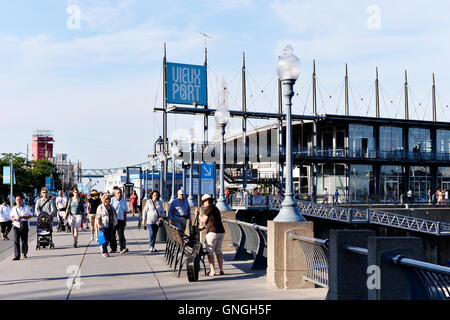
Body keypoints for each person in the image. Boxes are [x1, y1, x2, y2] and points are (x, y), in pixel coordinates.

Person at [196, 194, 225, 276]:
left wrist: (198, 215)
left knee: (210, 252)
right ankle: (221, 270)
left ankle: (212, 271)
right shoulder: (216, 208)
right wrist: (202, 228)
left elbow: (204, 220)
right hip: (221, 232)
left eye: (203, 202)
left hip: (212, 233)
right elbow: (211, 222)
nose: (203, 204)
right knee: (219, 251)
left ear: (206, 201)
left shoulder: (208, 209)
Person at [10, 195, 32, 261]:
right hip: (16, 225)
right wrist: (14, 219)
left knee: (24, 240)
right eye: (17, 200)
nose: (18, 201)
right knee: (16, 240)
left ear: (22, 200)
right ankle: (16, 255)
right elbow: (11, 217)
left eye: (19, 200)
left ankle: (24, 253)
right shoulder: (13, 208)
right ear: (15, 201)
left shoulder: (26, 207)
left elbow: (30, 215)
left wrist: (22, 217)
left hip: (24, 225)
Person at [111, 189, 129, 254]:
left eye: (120, 193)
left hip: (120, 220)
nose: (119, 194)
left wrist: (125, 220)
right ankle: (113, 248)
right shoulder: (112, 200)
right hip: (113, 220)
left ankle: (122, 248)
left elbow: (125, 211)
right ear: (115, 194)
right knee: (112, 236)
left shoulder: (123, 201)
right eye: (118, 193)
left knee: (121, 235)